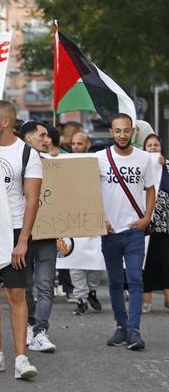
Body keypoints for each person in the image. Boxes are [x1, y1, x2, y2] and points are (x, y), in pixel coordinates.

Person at [0, 100, 41, 380]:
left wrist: (23, 240)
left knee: (16, 294)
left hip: (13, 230)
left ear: (5, 121)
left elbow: (33, 200)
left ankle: (22, 358)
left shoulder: (27, 153)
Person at [97, 113, 159, 350]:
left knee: (135, 279)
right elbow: (86, 188)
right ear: (111, 132)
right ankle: (121, 327)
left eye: (126, 130)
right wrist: (99, 218)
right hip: (110, 231)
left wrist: (146, 218)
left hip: (134, 230)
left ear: (132, 132)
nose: (122, 135)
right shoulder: (99, 158)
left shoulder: (144, 158)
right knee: (114, 282)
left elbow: (150, 188)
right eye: (117, 131)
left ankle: (134, 330)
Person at [17, 121, 59, 352]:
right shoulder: (13, 163)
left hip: (48, 234)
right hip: (21, 233)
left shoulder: (57, 164)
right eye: (42, 135)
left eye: (48, 136)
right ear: (27, 138)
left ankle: (40, 331)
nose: (47, 139)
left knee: (45, 286)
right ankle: (30, 325)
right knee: (24, 286)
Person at [67, 131, 103, 315]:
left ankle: (92, 290)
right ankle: (80, 297)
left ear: (87, 144)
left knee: (96, 258)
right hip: (72, 219)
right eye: (73, 143)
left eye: (79, 143)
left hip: (93, 216)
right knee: (75, 260)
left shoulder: (97, 162)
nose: (76, 147)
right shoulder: (63, 163)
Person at [143, 134, 169, 313]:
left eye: (156, 145)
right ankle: (146, 300)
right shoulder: (139, 166)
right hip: (146, 225)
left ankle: (167, 297)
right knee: (146, 261)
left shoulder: (167, 167)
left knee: (166, 260)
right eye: (149, 145)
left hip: (165, 224)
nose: (153, 148)